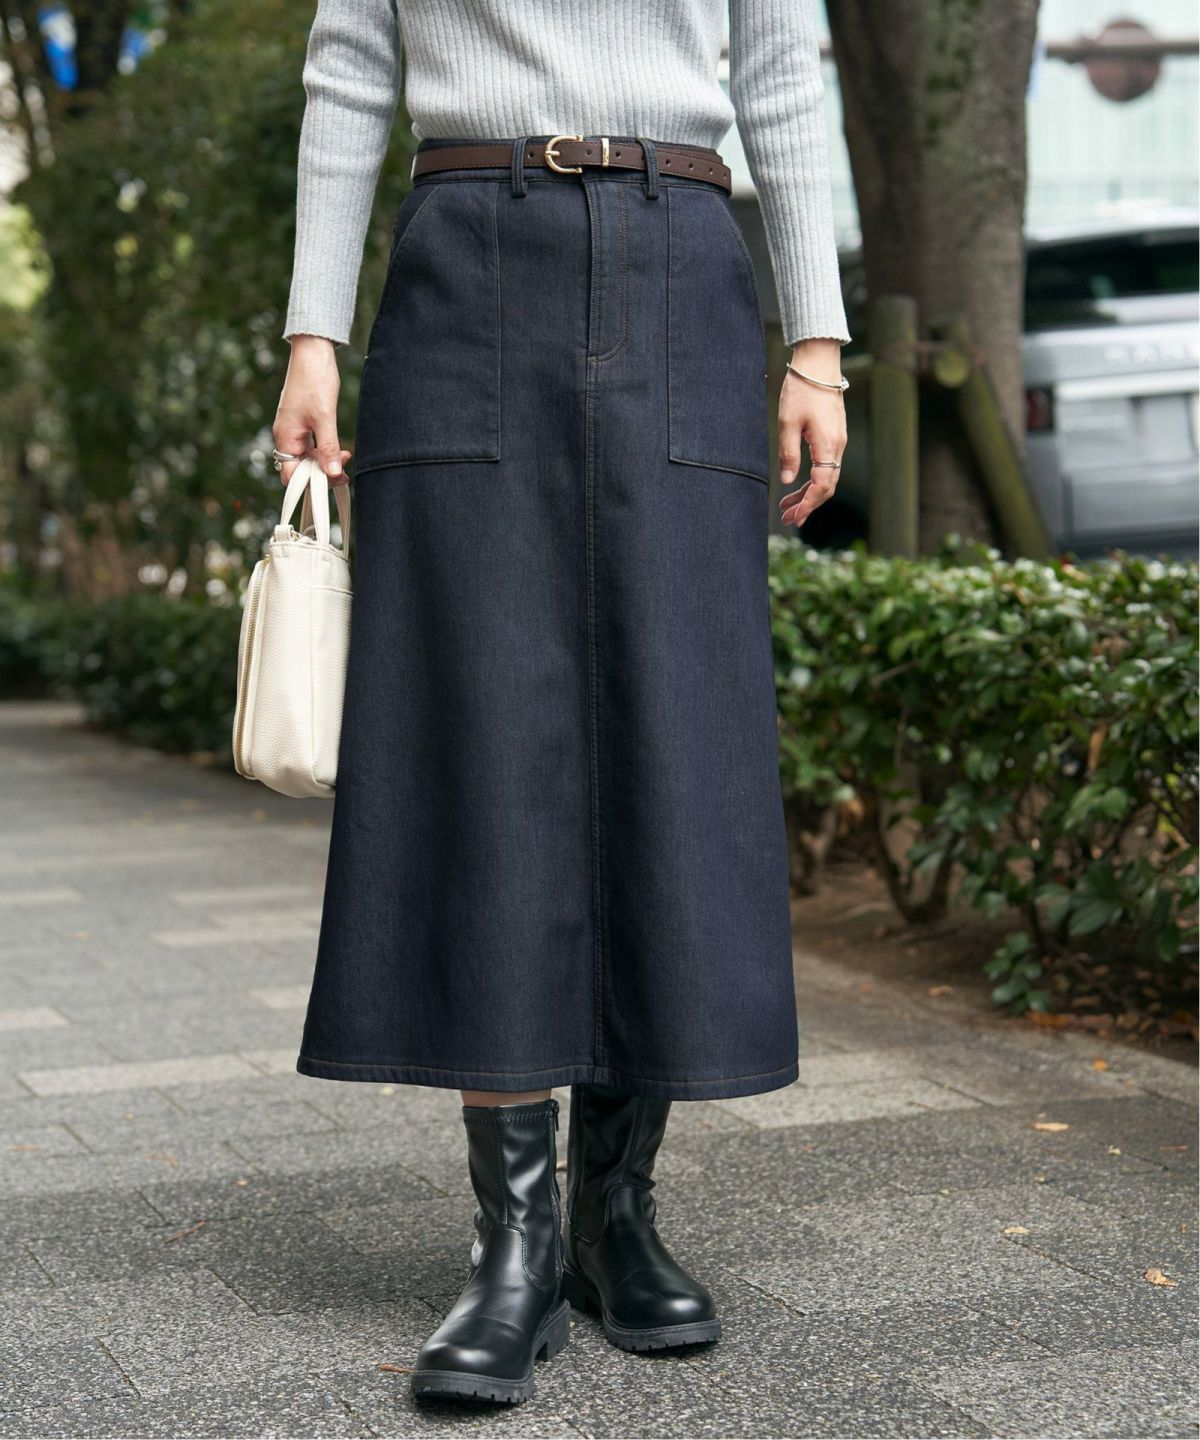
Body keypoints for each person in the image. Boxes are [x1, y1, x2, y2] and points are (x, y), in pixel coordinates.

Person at [273, 0, 849, 1407]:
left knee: (670, 726)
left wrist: (819, 341)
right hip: (467, 258)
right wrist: (311, 333)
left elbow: (783, 67)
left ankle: (615, 1212)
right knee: (485, 743)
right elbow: (350, 66)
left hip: (682, 254)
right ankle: (514, 1245)